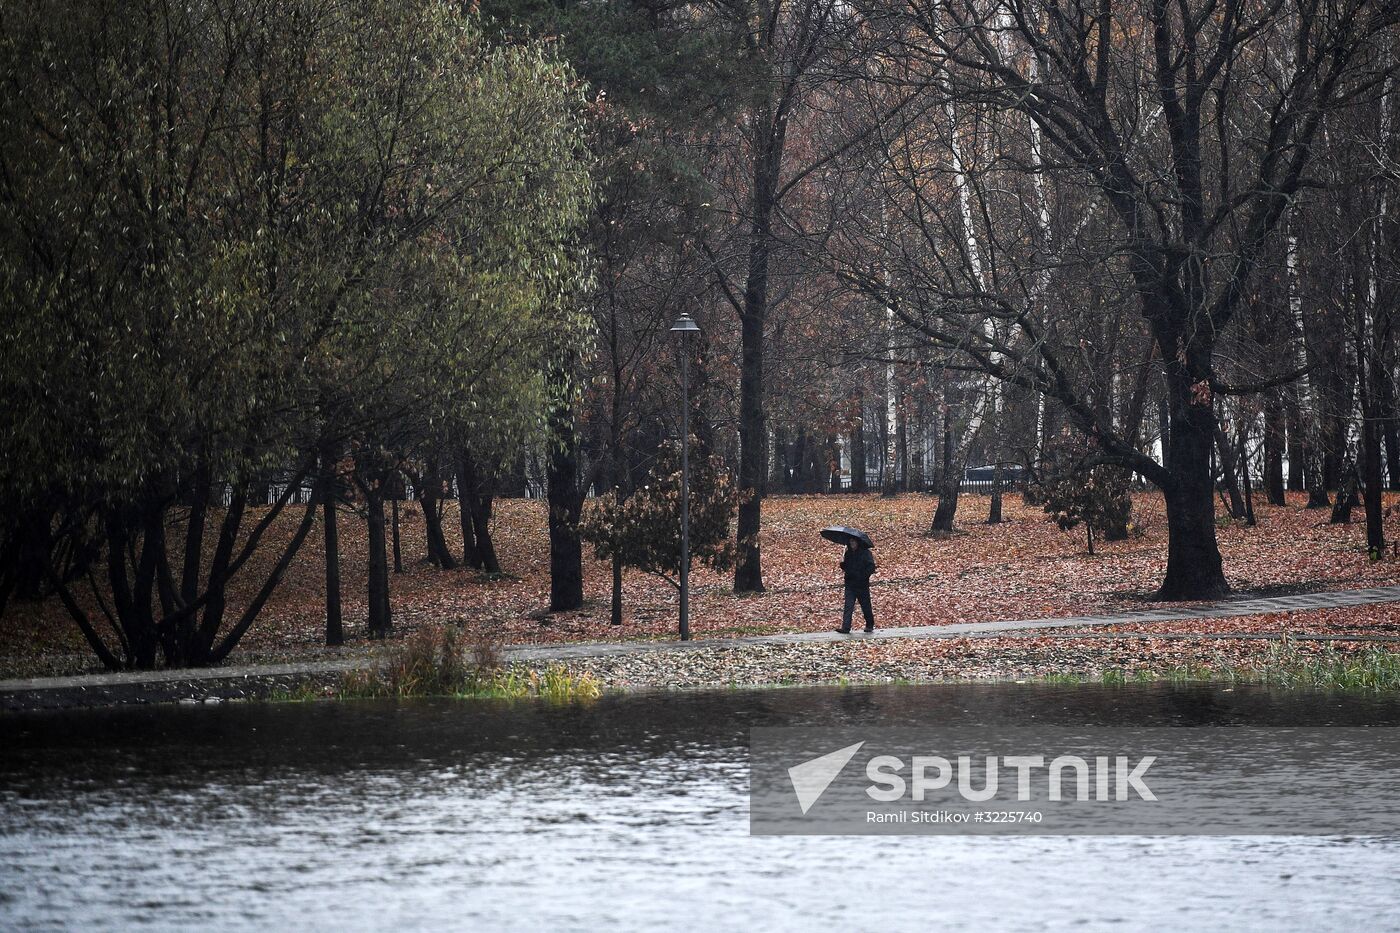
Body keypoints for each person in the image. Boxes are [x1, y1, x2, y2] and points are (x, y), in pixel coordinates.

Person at [836, 540, 876, 634]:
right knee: (848, 605)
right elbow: (847, 567)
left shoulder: (866, 553)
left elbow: (871, 567)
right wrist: (842, 564)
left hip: (862, 584)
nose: (852, 544)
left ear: (858, 542)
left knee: (865, 606)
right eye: (850, 542)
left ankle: (869, 625)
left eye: (853, 542)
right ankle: (846, 627)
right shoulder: (848, 553)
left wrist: (863, 576)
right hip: (850, 583)